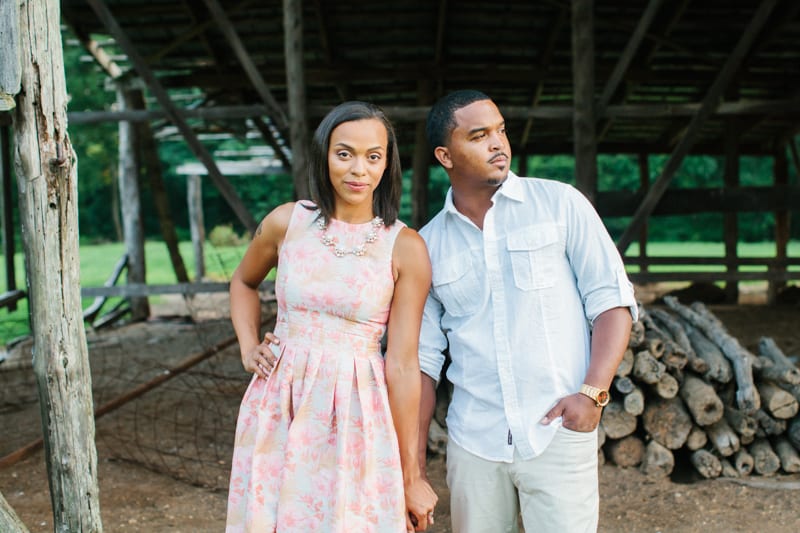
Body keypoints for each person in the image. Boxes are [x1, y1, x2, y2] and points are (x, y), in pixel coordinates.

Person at [417, 89, 638, 532]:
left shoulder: (560, 205)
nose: (498, 143)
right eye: (479, 135)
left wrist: (592, 395)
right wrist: (414, 468)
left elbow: (612, 302)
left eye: (501, 131)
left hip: (558, 430)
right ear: (445, 155)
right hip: (474, 440)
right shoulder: (427, 244)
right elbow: (421, 363)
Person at [225, 101, 438, 532]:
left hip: (358, 409)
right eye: (345, 154)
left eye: (372, 156)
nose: (359, 169)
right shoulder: (288, 223)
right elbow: (243, 283)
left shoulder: (405, 246)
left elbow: (401, 363)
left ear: (386, 165)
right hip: (279, 403)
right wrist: (249, 347)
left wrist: (411, 474)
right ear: (324, 156)